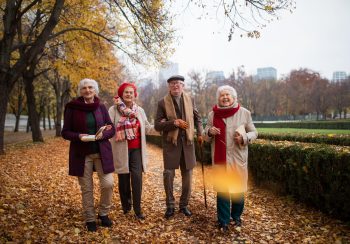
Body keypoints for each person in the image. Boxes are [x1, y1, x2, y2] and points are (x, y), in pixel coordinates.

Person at [61, 78, 115, 232]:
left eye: (91, 87)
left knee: (108, 184)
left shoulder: (101, 107)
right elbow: (65, 132)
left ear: (95, 90)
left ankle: (103, 213)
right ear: (80, 91)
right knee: (87, 188)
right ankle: (90, 218)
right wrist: (78, 136)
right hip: (81, 154)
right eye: (84, 88)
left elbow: (112, 128)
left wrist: (103, 135)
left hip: (101, 152)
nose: (88, 90)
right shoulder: (72, 108)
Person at [204, 85, 258, 232]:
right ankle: (223, 221)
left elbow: (254, 132)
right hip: (220, 160)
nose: (225, 97)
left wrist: (244, 137)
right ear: (218, 98)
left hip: (237, 159)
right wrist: (209, 131)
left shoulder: (244, 113)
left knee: (238, 191)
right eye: (222, 95)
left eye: (228, 95)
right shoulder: (212, 115)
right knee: (222, 191)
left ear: (234, 98)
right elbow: (205, 135)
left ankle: (236, 216)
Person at [155, 75, 203, 219]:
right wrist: (174, 123)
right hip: (171, 144)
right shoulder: (162, 103)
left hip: (187, 144)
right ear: (169, 86)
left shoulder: (190, 99)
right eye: (173, 84)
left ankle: (184, 205)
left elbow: (198, 118)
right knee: (168, 175)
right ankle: (170, 205)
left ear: (183, 86)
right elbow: (157, 125)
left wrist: (200, 133)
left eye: (179, 83)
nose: (176, 86)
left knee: (188, 176)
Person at [108, 82, 154, 220]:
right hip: (121, 149)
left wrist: (164, 127)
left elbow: (147, 127)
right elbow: (109, 127)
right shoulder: (113, 110)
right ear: (121, 94)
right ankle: (126, 206)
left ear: (135, 95)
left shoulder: (140, 110)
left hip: (136, 150)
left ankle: (138, 209)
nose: (129, 94)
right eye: (126, 92)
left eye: (131, 92)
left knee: (137, 178)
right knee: (123, 178)